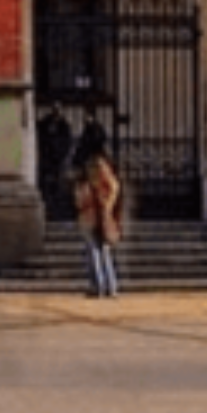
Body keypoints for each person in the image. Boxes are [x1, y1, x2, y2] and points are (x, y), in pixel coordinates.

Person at [69, 121, 124, 299]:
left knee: (95, 251)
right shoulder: (99, 163)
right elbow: (114, 187)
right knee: (102, 251)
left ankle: (100, 285)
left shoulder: (92, 165)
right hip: (97, 212)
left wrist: (105, 205)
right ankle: (109, 286)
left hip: (93, 212)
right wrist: (108, 205)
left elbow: (111, 187)